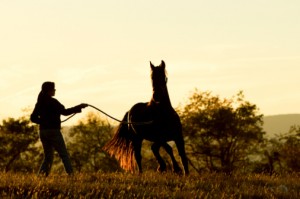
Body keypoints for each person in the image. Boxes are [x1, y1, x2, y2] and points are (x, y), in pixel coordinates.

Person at [30, 81, 88, 176]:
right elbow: (65, 112)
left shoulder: (39, 102)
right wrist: (79, 107)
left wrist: (43, 121)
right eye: (53, 89)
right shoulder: (53, 102)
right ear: (49, 91)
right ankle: (71, 175)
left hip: (43, 132)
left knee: (48, 157)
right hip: (53, 131)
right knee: (64, 154)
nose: (55, 90)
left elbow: (33, 118)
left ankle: (41, 176)